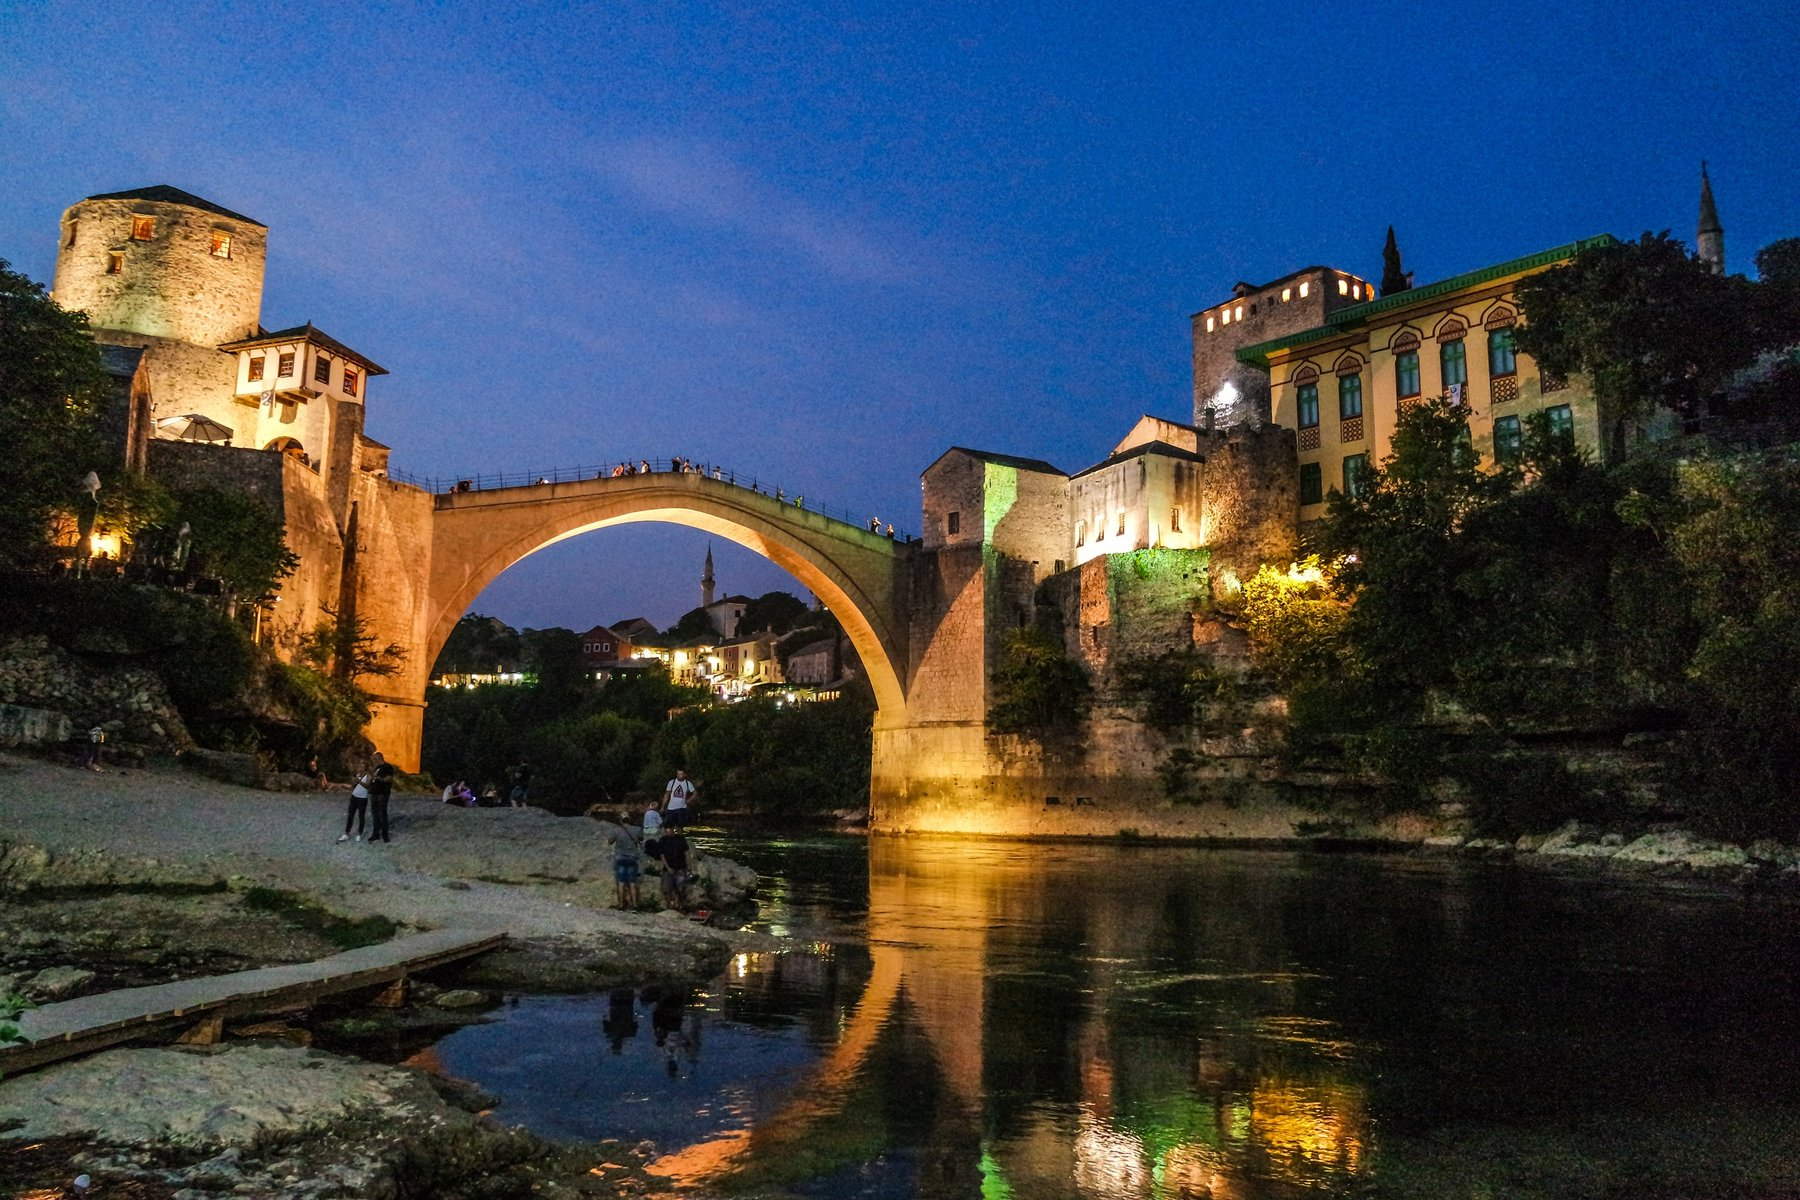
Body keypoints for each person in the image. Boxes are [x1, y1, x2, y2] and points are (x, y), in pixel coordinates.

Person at [612, 815, 642, 910]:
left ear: (621, 820)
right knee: (632, 882)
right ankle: (635, 905)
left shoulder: (616, 830)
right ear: (630, 819)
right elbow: (641, 838)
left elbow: (610, 841)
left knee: (621, 882)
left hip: (620, 858)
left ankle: (621, 904)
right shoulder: (637, 829)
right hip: (632, 858)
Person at [658, 827, 691, 912]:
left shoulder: (680, 839)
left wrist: (689, 865)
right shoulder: (663, 840)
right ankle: (670, 906)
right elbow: (662, 855)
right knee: (667, 889)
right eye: (666, 829)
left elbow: (686, 852)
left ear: (672, 829)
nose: (667, 831)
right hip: (668, 868)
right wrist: (668, 868)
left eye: (668, 829)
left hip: (680, 867)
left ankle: (680, 906)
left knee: (680, 888)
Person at [368, 752, 395, 844]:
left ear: (379, 758)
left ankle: (385, 835)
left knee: (382, 813)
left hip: (382, 793)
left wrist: (380, 779)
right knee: (375, 814)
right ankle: (375, 834)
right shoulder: (377, 768)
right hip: (374, 793)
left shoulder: (387, 767)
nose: (373, 761)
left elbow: (389, 779)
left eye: (374, 759)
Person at [340, 769, 370, 842]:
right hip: (354, 796)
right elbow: (353, 785)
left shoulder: (369, 775)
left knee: (361, 816)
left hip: (362, 798)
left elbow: (367, 786)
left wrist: (359, 780)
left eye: (363, 765)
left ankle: (359, 833)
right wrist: (353, 780)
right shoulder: (359, 774)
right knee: (350, 815)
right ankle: (346, 833)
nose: (361, 767)